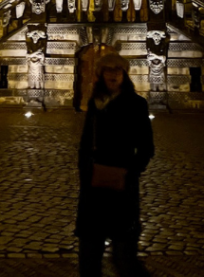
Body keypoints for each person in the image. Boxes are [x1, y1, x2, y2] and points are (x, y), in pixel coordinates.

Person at [76, 52, 154, 277]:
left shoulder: (136, 104)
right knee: (89, 251)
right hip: (93, 184)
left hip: (122, 185)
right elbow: (85, 142)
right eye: (108, 70)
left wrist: (130, 173)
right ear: (100, 75)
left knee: (124, 253)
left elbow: (147, 148)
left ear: (124, 74)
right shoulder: (94, 103)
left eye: (117, 70)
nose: (113, 74)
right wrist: (85, 169)